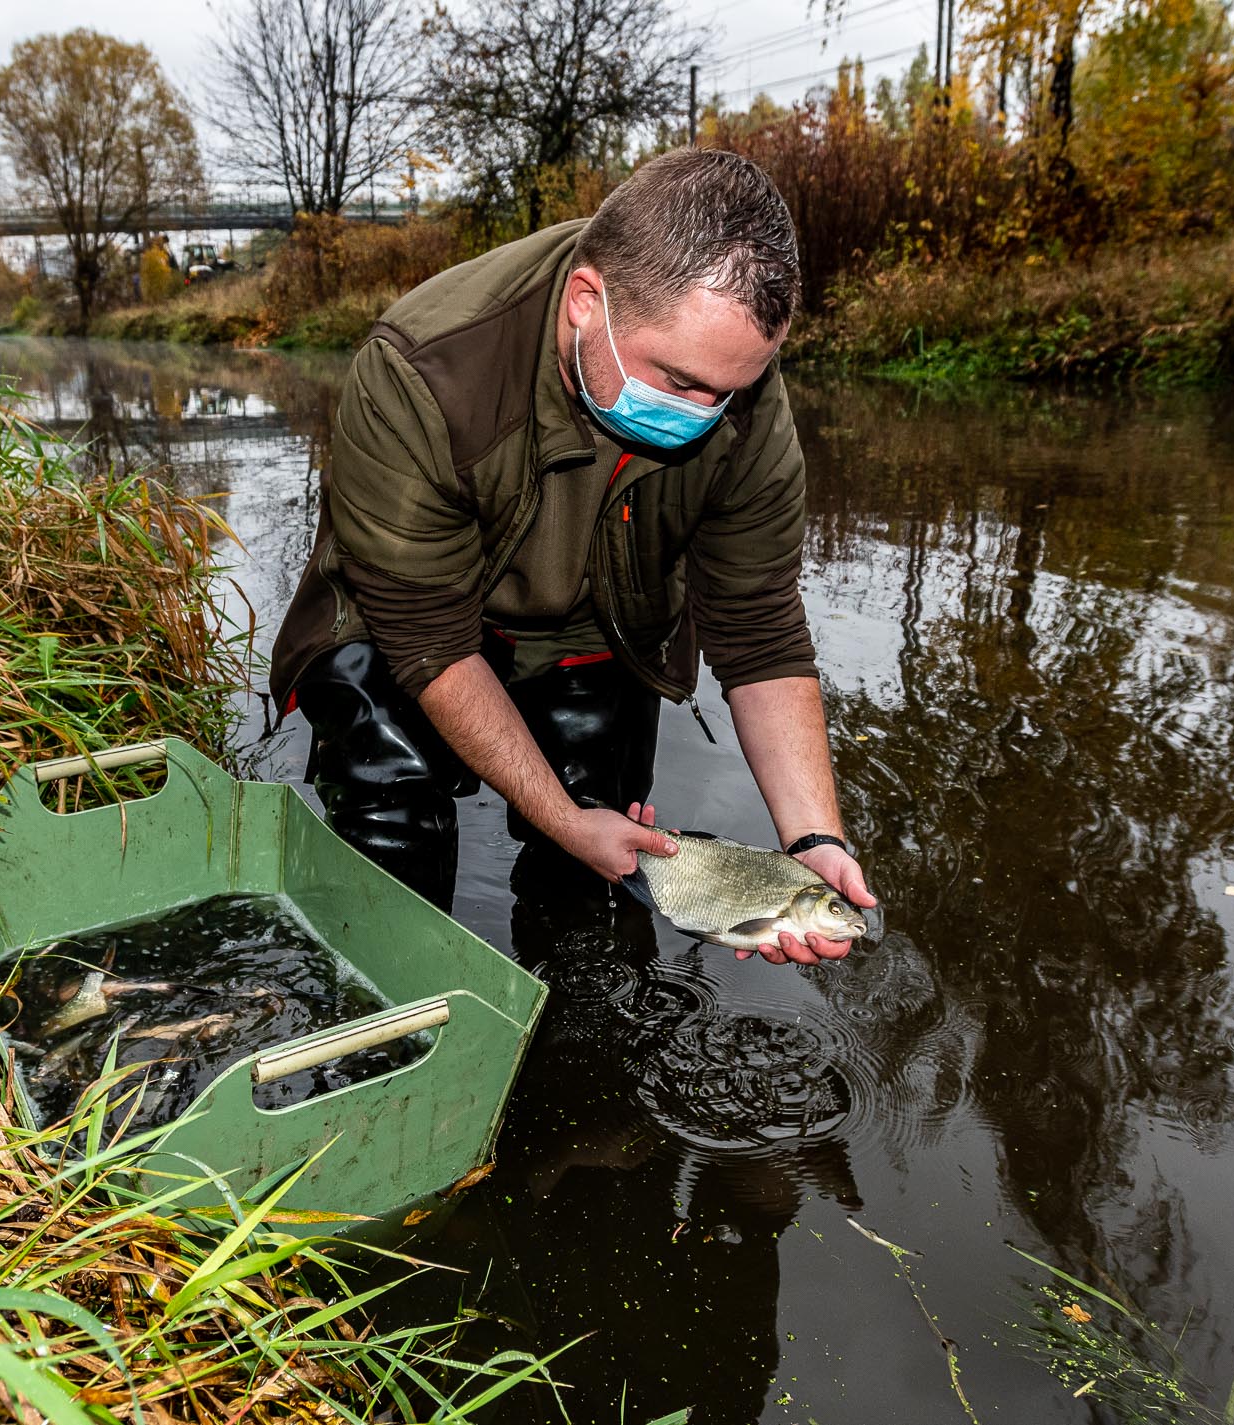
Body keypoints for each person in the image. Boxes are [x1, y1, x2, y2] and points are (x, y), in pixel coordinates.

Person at [268, 147, 872, 966]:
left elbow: (759, 626)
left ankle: (569, 1029)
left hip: (594, 618)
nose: (705, 414)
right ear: (588, 301)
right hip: (412, 617)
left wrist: (812, 838)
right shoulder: (421, 368)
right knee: (392, 804)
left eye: (729, 390)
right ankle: (382, 1020)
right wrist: (553, 812)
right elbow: (432, 642)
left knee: (602, 857)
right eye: (681, 381)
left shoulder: (742, 397)